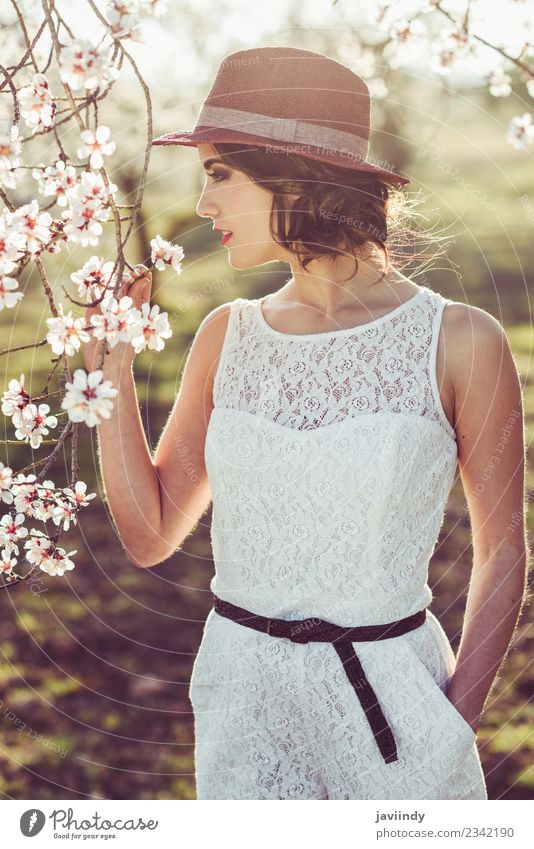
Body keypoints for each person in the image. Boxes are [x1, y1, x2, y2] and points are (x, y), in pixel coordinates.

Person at [84, 47, 527, 800]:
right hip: (242, 708)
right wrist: (111, 373)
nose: (203, 205)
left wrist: (454, 724)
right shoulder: (227, 334)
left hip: (393, 712)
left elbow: (504, 554)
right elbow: (150, 534)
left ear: (293, 172)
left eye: (220, 172)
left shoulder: (460, 340)